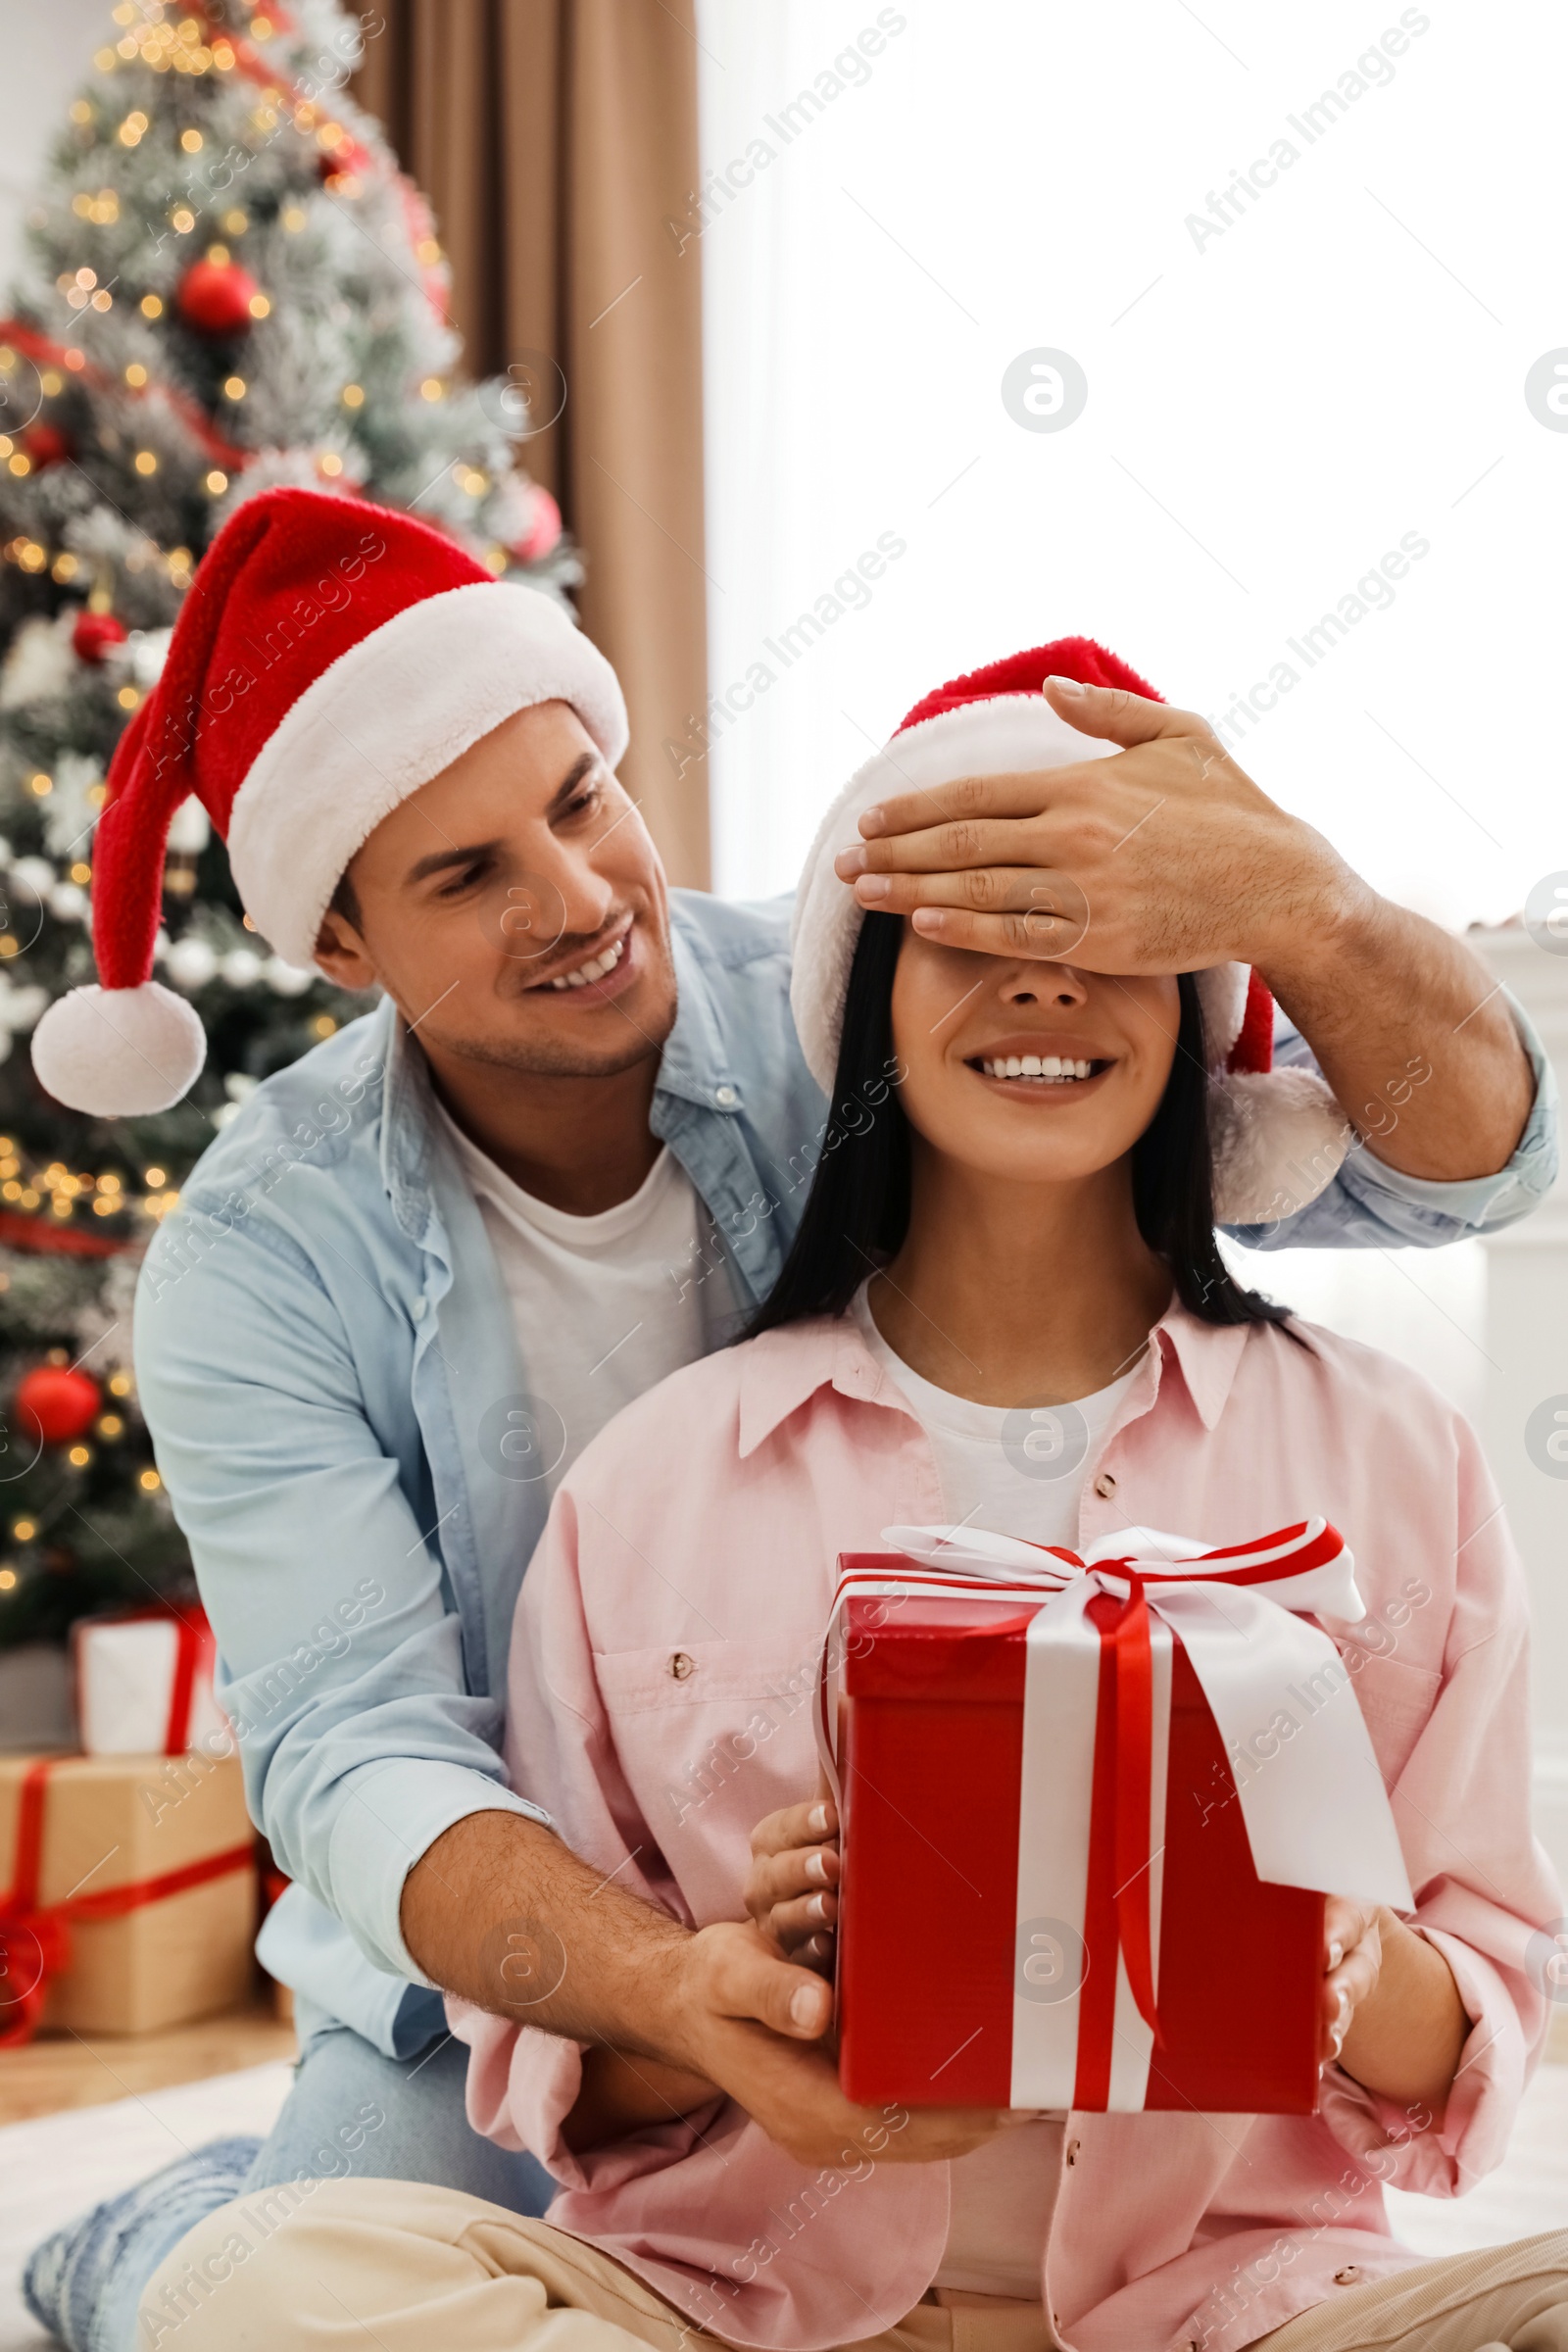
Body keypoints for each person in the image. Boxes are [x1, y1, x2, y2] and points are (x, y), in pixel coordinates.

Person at [20, 495, 1554, 2349]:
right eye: (466, 875)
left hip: (1210, 2264)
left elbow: (1446, 1169)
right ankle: (131, 2247)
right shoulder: (272, 1260)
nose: (580, 902)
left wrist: (1290, 899)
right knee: (263, 2281)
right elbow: (357, 1751)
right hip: (545, 2007)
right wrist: (693, 2001)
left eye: (584, 800)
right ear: (342, 941)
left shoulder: (856, 981)